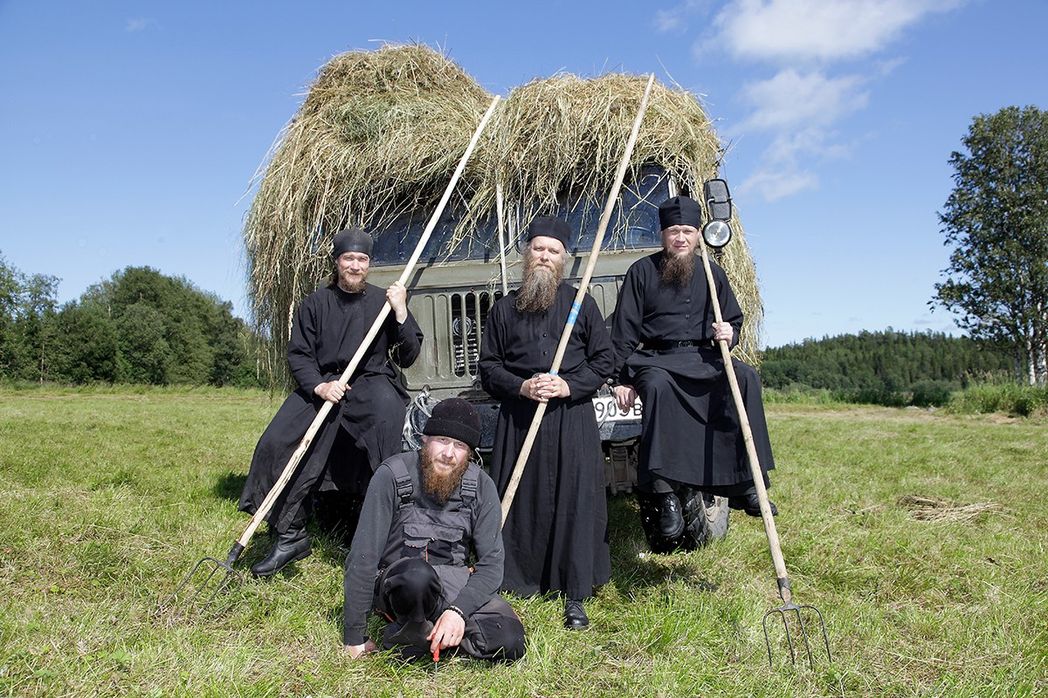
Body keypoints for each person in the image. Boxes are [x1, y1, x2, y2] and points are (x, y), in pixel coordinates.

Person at [238, 226, 424, 577]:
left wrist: (400, 311)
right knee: (276, 442)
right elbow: (299, 356)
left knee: (386, 428)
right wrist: (320, 387)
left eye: (362, 259)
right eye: (349, 258)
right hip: (324, 383)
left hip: (371, 381)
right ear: (337, 262)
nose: (355, 266)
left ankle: (390, 543)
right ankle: (290, 534)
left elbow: (410, 354)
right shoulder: (314, 304)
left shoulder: (384, 302)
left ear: (369, 264)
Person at [610, 195, 777, 553]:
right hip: (658, 360)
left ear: (698, 235)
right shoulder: (641, 271)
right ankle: (665, 495)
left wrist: (729, 333)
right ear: (662, 235)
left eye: (687, 231)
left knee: (746, 378)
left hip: (704, 357)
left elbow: (733, 319)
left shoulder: (712, 273)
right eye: (674, 232)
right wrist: (621, 380)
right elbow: (623, 332)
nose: (681, 238)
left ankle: (748, 484)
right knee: (654, 386)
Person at [479, 216, 615, 630]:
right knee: (521, 499)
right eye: (538, 248)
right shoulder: (504, 309)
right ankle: (518, 581)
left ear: (563, 259)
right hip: (519, 421)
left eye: (553, 251)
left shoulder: (580, 304)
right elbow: (488, 368)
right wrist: (522, 387)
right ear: (526, 254)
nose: (544, 256)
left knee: (575, 500)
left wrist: (568, 385)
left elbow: (604, 360)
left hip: (571, 419)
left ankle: (575, 593)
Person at [343, 398, 526, 663]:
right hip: (403, 582)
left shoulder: (481, 486)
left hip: (451, 585)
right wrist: (354, 636)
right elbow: (363, 556)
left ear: (470, 453)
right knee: (417, 576)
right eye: (442, 439)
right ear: (425, 439)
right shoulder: (391, 476)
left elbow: (492, 566)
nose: (448, 453)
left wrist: (458, 612)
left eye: (460, 445)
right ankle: (413, 628)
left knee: (509, 641)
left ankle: (426, 638)